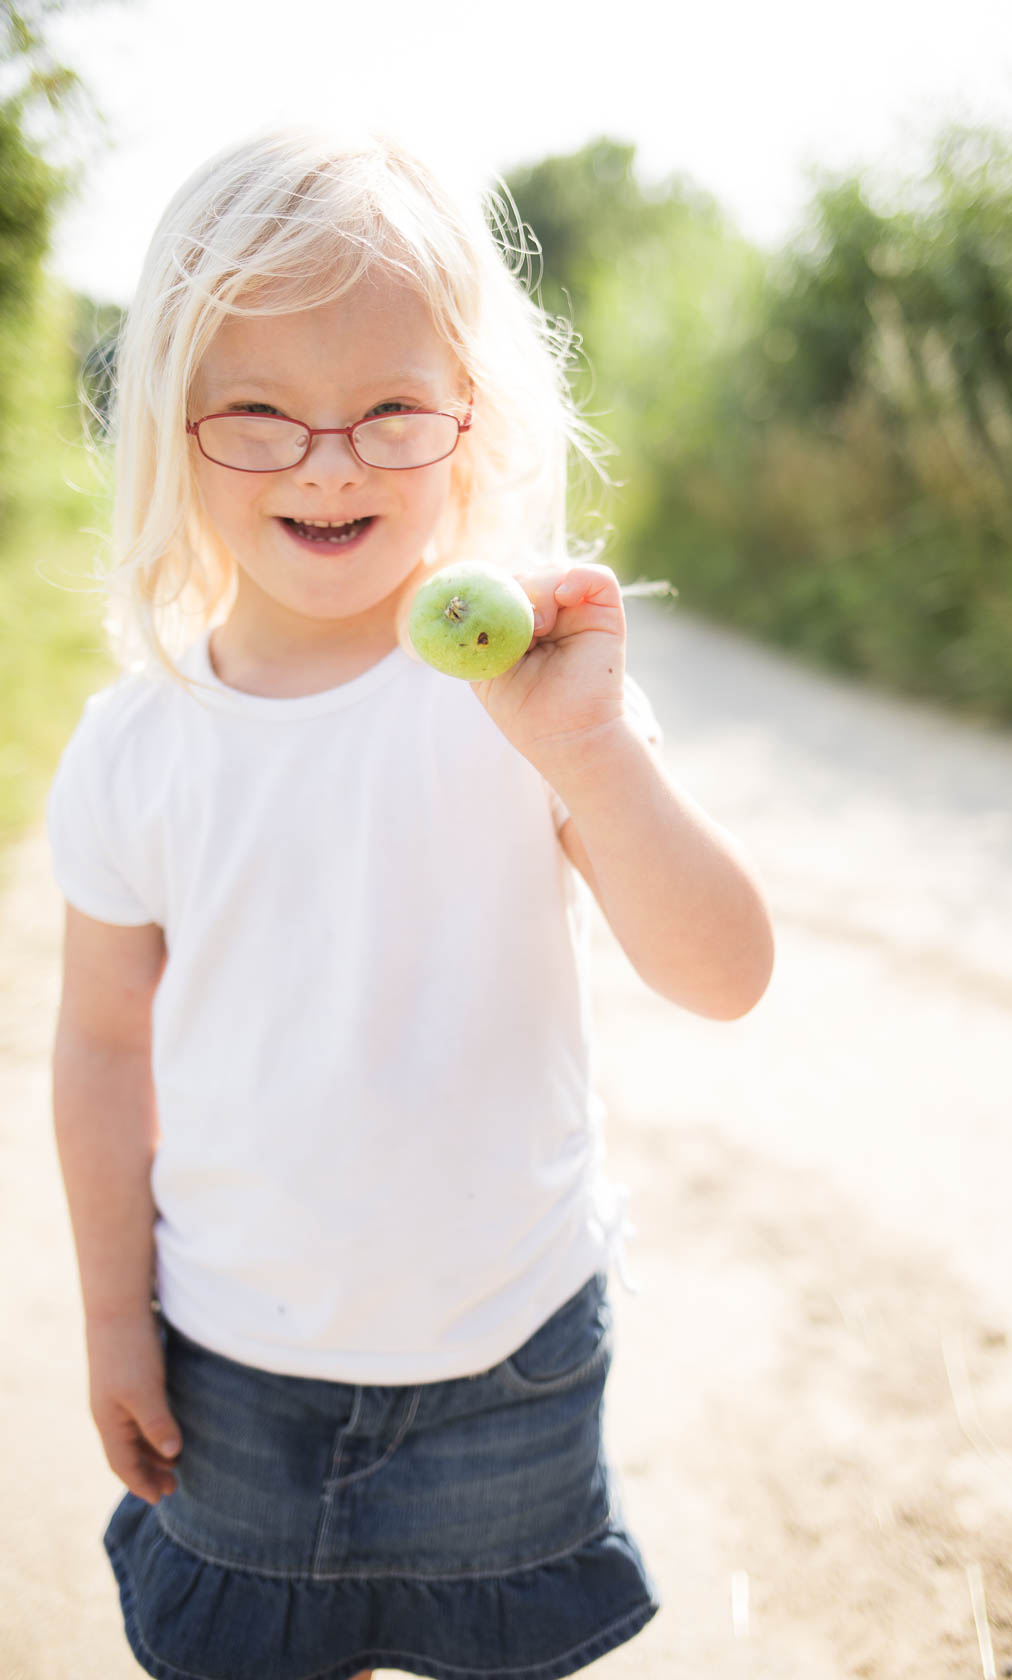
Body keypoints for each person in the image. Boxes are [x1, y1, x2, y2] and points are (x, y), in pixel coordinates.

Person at [47, 127, 774, 1680]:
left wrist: (592, 756)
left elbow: (724, 975)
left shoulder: (523, 690)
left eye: (391, 412)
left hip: (505, 1358)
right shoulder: (136, 748)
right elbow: (104, 1048)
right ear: (174, 432)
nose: (330, 460)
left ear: (470, 424)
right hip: (232, 1359)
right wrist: (114, 1318)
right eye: (260, 416)